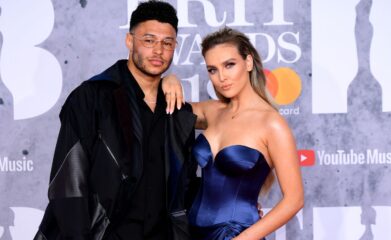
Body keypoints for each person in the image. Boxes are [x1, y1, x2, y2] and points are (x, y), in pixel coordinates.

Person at [33, 1, 198, 240]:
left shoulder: (179, 112)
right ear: (129, 41)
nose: (158, 51)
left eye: (167, 43)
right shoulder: (91, 98)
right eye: (149, 40)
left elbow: (184, 188)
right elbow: (68, 185)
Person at [187, 27, 304, 239]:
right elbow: (159, 108)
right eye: (212, 70)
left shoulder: (271, 123)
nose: (222, 77)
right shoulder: (211, 111)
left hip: (237, 234)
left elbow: (294, 199)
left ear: (248, 62)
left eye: (229, 65)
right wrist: (170, 82)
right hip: (191, 232)